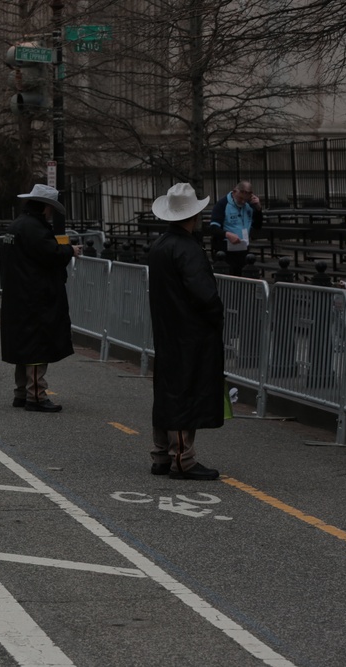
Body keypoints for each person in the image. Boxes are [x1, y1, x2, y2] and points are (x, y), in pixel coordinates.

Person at [148, 183, 225, 481]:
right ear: (194, 214)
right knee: (184, 390)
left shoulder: (160, 245)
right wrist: (215, 316)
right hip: (190, 331)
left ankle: (161, 454)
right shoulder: (188, 249)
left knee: (167, 389)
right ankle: (182, 457)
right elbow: (204, 294)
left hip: (167, 327)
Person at [0, 184, 81, 412]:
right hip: (34, 295)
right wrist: (70, 251)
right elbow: (49, 254)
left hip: (17, 294)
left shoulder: (16, 225)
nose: (52, 213)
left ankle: (21, 392)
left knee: (22, 346)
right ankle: (36, 394)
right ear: (45, 207)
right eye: (51, 209)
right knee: (37, 345)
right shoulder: (34, 228)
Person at [209, 180, 263, 277]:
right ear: (234, 192)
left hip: (243, 249)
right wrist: (227, 234)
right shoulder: (222, 204)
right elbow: (213, 228)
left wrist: (258, 209)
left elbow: (257, 226)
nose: (242, 202)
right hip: (225, 250)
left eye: (245, 200)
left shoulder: (249, 205)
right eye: (240, 198)